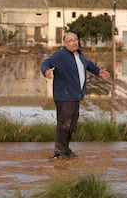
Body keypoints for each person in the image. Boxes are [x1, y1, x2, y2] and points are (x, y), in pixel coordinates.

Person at [41, 32, 110, 160]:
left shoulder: (79, 54)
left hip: (75, 95)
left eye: (75, 40)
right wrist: (47, 71)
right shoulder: (60, 55)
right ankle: (59, 152)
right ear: (65, 43)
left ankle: (66, 150)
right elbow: (46, 63)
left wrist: (98, 71)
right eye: (70, 41)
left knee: (72, 125)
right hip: (64, 95)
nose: (73, 42)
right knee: (64, 124)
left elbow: (87, 64)